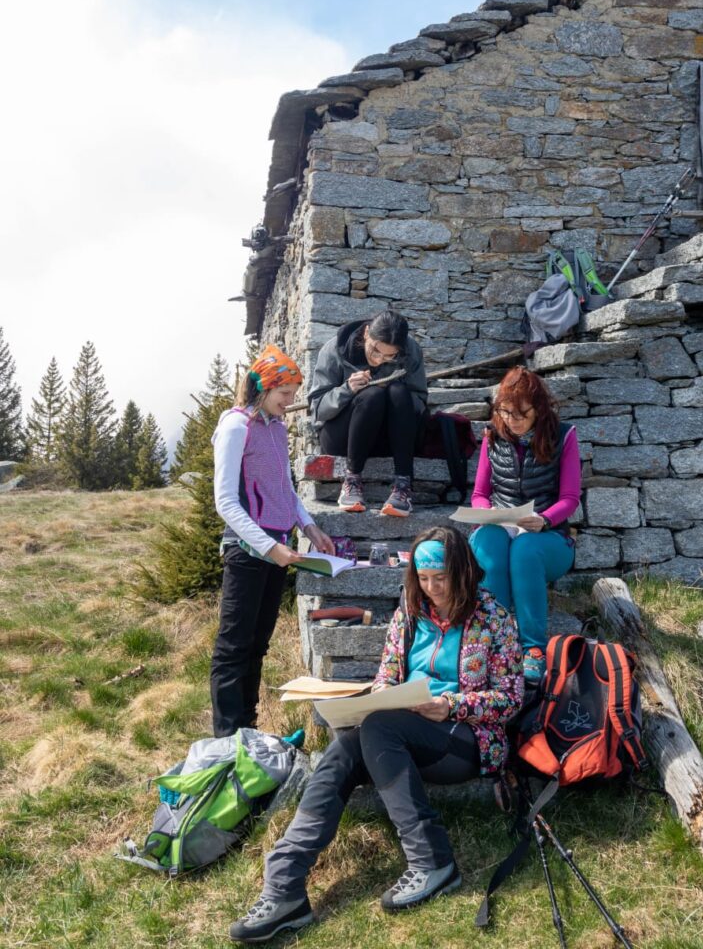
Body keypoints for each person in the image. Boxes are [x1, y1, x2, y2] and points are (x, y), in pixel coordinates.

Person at [228, 525, 523, 944]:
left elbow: (511, 698)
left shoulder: (494, 618)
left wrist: (451, 705)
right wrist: (382, 694)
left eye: (441, 578)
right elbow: (387, 674)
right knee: (344, 749)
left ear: (463, 572)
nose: (433, 588)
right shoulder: (411, 611)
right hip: (404, 732)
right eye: (424, 578)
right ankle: (284, 889)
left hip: (466, 739)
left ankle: (432, 860)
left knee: (378, 727)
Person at [210, 344, 335, 738]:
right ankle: (227, 741)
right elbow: (226, 501)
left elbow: (285, 487)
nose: (290, 402)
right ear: (264, 387)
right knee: (234, 648)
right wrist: (268, 547)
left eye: (294, 395)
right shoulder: (235, 426)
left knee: (258, 645)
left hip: (278, 548)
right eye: (285, 394)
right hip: (248, 551)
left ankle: (247, 730)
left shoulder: (276, 428)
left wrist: (309, 526)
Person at [469, 367, 581, 685]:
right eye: (505, 412)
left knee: (524, 548)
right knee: (489, 539)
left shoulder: (565, 436)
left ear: (538, 409)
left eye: (522, 413)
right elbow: (479, 494)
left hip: (549, 539)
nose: (513, 421)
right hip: (503, 528)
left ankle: (533, 649)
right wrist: (487, 513)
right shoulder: (492, 436)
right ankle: (495, 642)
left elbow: (570, 498)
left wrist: (545, 520)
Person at [307, 310, 427, 517]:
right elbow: (317, 410)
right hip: (343, 438)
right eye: (375, 350)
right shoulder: (335, 350)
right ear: (366, 333)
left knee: (398, 391)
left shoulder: (412, 350)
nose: (379, 360)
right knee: (371, 395)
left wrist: (392, 396)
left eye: (390, 355)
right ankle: (352, 480)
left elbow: (420, 402)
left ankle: (402, 486)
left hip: (392, 437)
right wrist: (347, 390)